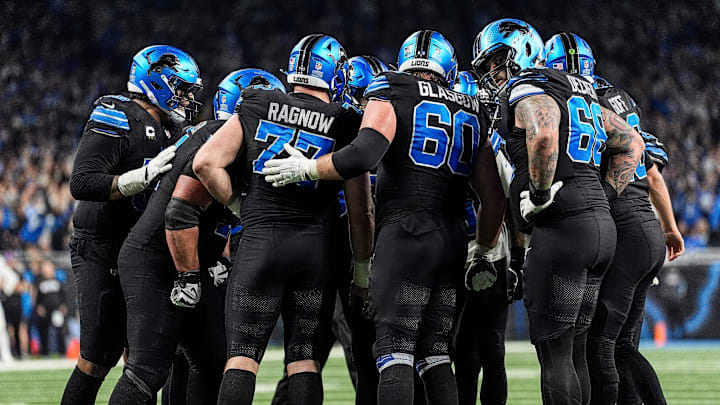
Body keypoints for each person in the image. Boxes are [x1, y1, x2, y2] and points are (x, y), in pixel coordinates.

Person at [261, 30, 506, 405]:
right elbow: (492, 198)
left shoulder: (392, 87)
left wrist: (308, 167)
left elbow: (363, 154)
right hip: (452, 240)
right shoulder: (473, 107)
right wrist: (485, 251)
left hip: (404, 235)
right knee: (436, 353)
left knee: (395, 350)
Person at [194, 34, 374, 405]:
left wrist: (242, 206)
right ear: (335, 74)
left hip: (260, 243)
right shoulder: (345, 121)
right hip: (314, 251)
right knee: (304, 359)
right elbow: (361, 211)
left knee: (242, 357)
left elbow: (205, 163)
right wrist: (360, 270)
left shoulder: (258, 101)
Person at [471, 19, 644, 405]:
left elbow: (545, 135)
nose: (493, 73)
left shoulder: (530, 86)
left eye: (498, 61)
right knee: (576, 349)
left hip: (562, 231)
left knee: (556, 352)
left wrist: (540, 192)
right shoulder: (578, 88)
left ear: (525, 53)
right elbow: (632, 143)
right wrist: (601, 196)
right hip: (597, 226)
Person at [107, 68, 282, 405]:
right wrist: (189, 274)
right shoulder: (220, 140)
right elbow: (180, 212)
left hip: (183, 259)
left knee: (213, 361)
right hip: (158, 259)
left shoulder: (210, 133)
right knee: (148, 368)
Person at [543, 31, 684, 405]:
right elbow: (653, 172)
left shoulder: (579, 101)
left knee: (604, 347)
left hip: (620, 228)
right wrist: (670, 228)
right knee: (623, 345)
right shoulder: (619, 99)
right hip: (647, 229)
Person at [62, 44, 202, 405]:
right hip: (100, 245)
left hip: (138, 250)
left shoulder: (171, 127)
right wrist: (135, 179)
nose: (187, 98)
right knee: (96, 359)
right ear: (156, 80)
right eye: (182, 87)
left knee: (142, 360)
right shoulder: (117, 112)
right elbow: (82, 182)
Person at [452, 70, 524, 405]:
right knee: (488, 349)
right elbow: (512, 201)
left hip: (457, 250)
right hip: (490, 252)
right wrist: (519, 258)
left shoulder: (447, 135)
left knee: (464, 350)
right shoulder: (492, 142)